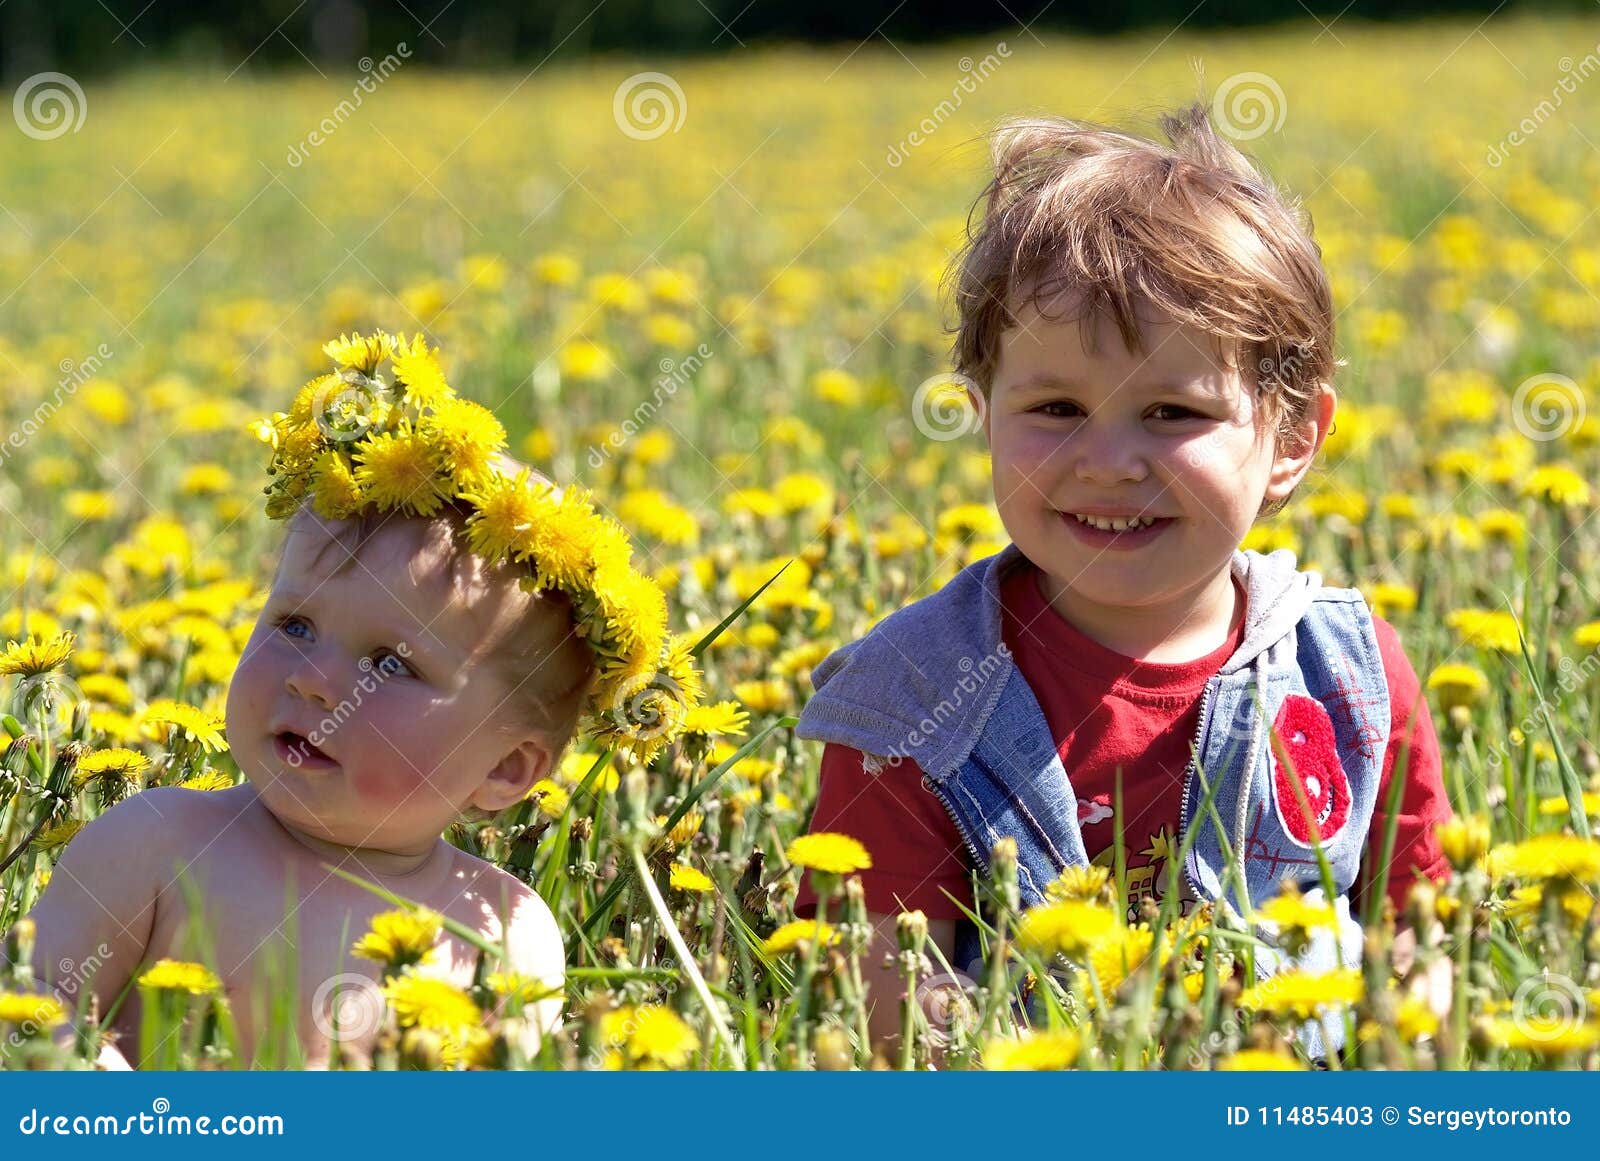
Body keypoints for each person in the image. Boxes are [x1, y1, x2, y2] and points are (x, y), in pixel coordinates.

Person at [793, 103, 1454, 1062]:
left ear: (1294, 438)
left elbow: (1417, 937)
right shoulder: (911, 702)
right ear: (982, 417)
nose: (1109, 461)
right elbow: (886, 991)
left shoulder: (1348, 676)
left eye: (1172, 412)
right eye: (1055, 406)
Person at [10, 331, 700, 1068]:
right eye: (295, 624)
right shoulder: (158, 843)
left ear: (506, 768)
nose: (314, 679)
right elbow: (30, 1004)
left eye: (390, 665)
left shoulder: (505, 929)